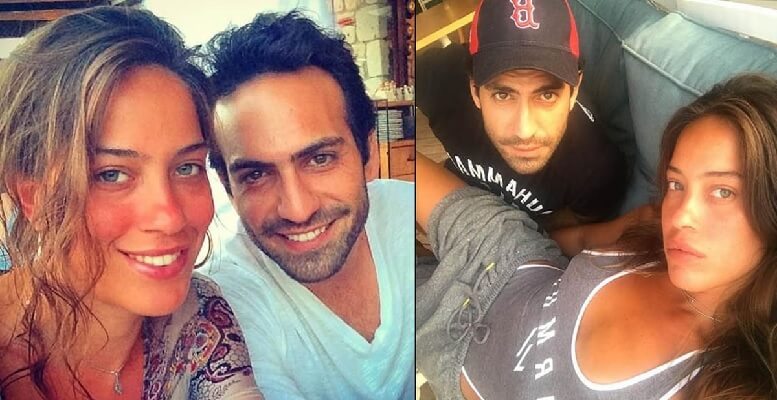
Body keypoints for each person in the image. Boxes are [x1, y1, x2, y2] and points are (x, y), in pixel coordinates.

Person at [416, 73, 777, 399]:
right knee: (391, 160)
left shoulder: (731, 382)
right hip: (506, 252)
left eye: (723, 192)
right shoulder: (655, 227)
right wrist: (527, 223)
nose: (681, 215)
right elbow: (583, 239)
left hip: (453, 357)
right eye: (676, 183)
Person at [0, 7, 261, 399]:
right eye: (112, 175)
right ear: (33, 197)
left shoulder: (199, 318)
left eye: (187, 167)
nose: (170, 217)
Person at [201, 11, 415, 399]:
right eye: (256, 175)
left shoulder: (407, 215)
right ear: (228, 187)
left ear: (369, 154)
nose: (297, 210)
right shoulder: (227, 296)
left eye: (319, 159)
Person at [417, 0, 629, 236]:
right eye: (503, 95)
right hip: (448, 199)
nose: (524, 130)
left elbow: (575, 226)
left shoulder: (595, 169)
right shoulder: (442, 80)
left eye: (547, 95)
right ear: (474, 89)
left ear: (574, 91)